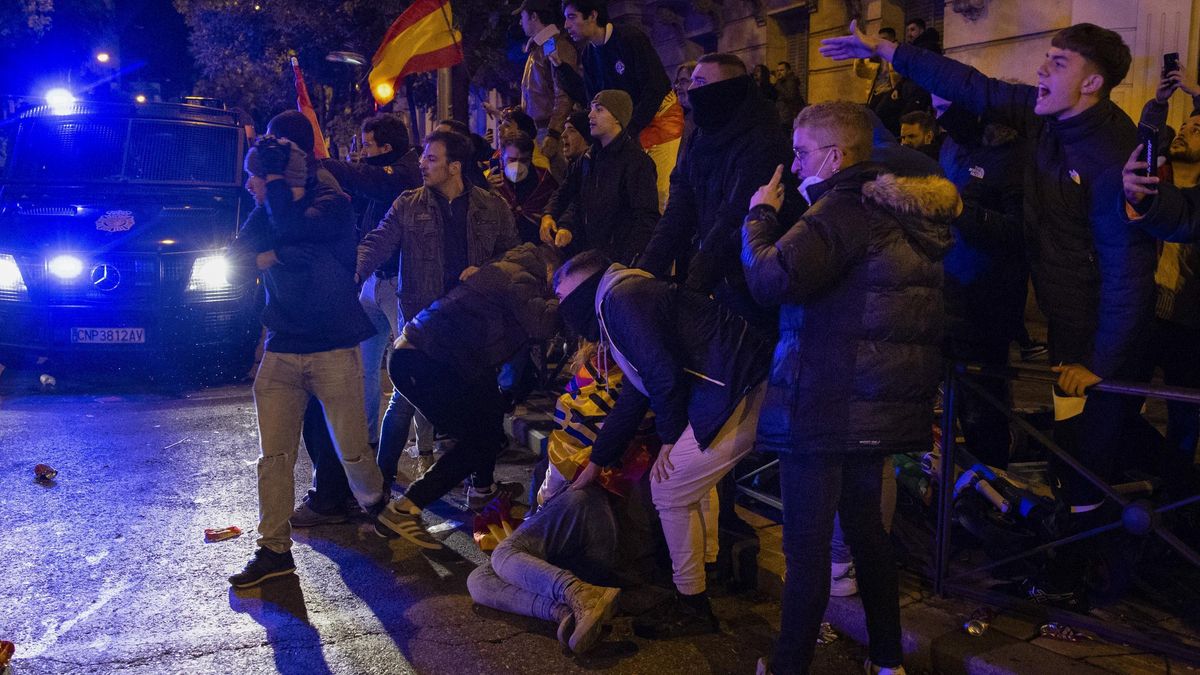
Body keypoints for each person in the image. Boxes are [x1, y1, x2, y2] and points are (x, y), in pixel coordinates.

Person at [821, 22, 1153, 520]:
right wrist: (889, 50)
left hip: (1097, 338)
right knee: (1078, 449)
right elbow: (972, 86)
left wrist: (1099, 363)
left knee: (1093, 459)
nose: (1041, 68)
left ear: (1092, 83)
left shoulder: (1111, 157)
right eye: (1046, 57)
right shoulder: (1048, 120)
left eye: (1059, 63)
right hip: (1067, 325)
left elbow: (1128, 275)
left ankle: (1094, 563)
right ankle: (1082, 544)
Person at [742, 101, 957, 675]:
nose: (794, 162)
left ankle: (789, 667)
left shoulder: (842, 209)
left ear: (834, 155)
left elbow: (771, 278)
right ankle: (888, 662)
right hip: (875, 408)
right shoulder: (903, 215)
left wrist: (759, 218)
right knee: (869, 537)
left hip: (825, 401)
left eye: (802, 151)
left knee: (806, 550)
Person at [553, 249, 774, 639]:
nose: (561, 306)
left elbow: (662, 376)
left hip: (741, 388)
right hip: (738, 385)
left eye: (561, 296)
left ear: (584, 287)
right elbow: (635, 397)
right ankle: (703, 575)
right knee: (686, 485)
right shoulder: (622, 297)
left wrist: (670, 439)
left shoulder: (621, 300)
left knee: (669, 485)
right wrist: (595, 463)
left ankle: (693, 605)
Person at [226, 115, 388, 588]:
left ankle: (379, 507)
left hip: (333, 348)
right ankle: (274, 550)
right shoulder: (267, 213)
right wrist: (271, 255)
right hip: (282, 348)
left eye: (256, 177)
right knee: (273, 458)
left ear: (283, 179)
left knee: (352, 449)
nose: (249, 186)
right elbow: (238, 257)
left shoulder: (332, 204)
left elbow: (301, 235)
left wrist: (274, 238)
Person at [356, 130, 522, 505]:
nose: (422, 163)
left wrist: (485, 271)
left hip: (475, 324)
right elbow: (378, 241)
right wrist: (356, 269)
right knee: (405, 401)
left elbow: (513, 256)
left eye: (432, 158)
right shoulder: (408, 204)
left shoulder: (490, 206)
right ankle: (382, 485)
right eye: (424, 157)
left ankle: (481, 486)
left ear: (455, 166)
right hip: (425, 324)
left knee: (484, 400)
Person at [288, 113, 429, 527]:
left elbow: (379, 182)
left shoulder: (405, 171)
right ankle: (365, 445)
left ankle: (425, 450)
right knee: (362, 370)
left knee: (406, 369)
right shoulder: (375, 176)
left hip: (401, 282)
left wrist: (331, 166)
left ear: (385, 147)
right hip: (372, 281)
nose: (363, 154)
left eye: (368, 146)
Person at [377, 244, 561, 547]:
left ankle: (481, 491)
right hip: (422, 362)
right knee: (480, 439)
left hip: (429, 360)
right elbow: (541, 324)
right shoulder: (520, 277)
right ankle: (405, 508)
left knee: (487, 423)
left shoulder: (507, 269)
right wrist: (560, 299)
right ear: (550, 269)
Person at [640, 53, 798, 329]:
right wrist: (645, 270)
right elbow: (680, 205)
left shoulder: (763, 140)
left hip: (750, 282)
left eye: (700, 82)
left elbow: (734, 216)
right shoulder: (699, 136)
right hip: (715, 277)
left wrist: (695, 284)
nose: (691, 90)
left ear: (730, 87)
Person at [933, 93, 1029, 470]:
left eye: (945, 106)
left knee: (983, 410)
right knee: (956, 406)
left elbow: (1020, 234)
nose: (940, 116)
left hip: (986, 301)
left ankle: (990, 490)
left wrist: (961, 211)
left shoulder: (1013, 155)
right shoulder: (954, 145)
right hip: (947, 291)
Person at [1122, 68, 1200, 466]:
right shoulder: (1163, 181)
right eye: (1185, 124)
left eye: (1197, 126)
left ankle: (1176, 492)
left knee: (1184, 412)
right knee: (1122, 397)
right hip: (1150, 305)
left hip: (1188, 321)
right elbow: (1146, 145)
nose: (1186, 130)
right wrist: (1159, 104)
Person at [560, 0, 683, 211]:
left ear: (592, 15)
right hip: (626, 129)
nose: (566, 25)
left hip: (658, 121)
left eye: (572, 17)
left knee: (659, 193)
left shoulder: (630, 38)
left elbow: (654, 87)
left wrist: (631, 129)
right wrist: (564, 74)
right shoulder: (589, 54)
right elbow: (594, 99)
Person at [540, 90, 659, 265]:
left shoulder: (637, 162)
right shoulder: (588, 158)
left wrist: (627, 262)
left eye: (599, 109)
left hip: (617, 262)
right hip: (590, 257)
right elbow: (566, 193)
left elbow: (645, 218)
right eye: (592, 109)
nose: (590, 115)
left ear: (618, 117)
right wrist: (549, 215)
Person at [514, 0, 582, 155]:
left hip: (549, 131)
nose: (520, 22)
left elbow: (563, 94)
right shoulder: (539, 47)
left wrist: (553, 133)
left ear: (534, 17)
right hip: (539, 130)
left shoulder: (551, 45)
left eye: (522, 16)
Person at [490, 131, 561, 244]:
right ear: (501, 157)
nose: (517, 166)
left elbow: (557, 208)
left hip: (536, 245)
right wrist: (485, 192)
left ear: (530, 158)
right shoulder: (490, 181)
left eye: (523, 160)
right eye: (512, 160)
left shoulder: (544, 181)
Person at [772, 61, 806, 127]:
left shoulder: (791, 81)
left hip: (789, 118)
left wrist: (776, 84)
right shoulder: (780, 82)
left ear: (788, 71)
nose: (779, 73)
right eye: (778, 70)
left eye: (782, 70)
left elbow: (790, 96)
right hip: (782, 117)